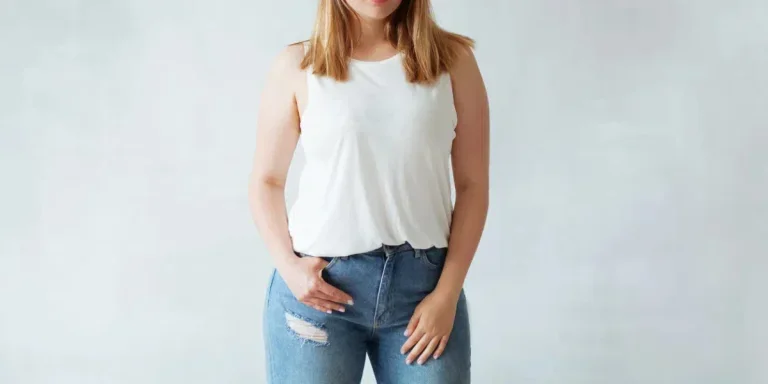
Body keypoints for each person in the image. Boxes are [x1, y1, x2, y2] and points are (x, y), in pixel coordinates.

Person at [248, 0, 489, 382]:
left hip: (425, 293)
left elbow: (473, 186)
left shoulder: (453, 61)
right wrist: (290, 269)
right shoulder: (297, 65)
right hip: (320, 290)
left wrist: (446, 294)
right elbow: (266, 181)